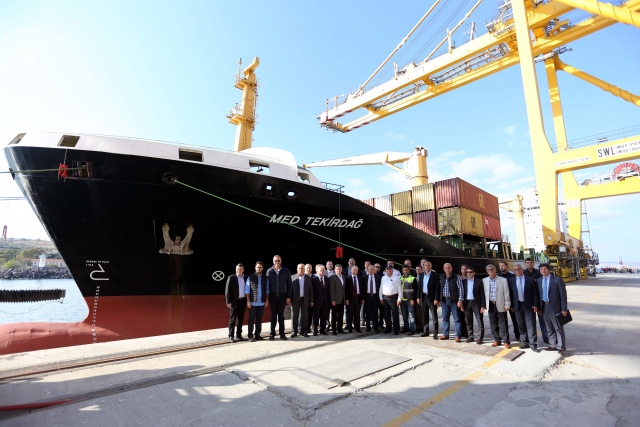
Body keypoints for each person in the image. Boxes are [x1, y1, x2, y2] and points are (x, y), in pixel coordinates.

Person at [535, 263, 568, 355]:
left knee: (558, 328)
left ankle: (561, 347)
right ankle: (553, 345)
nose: (543, 271)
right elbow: (538, 295)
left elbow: (563, 296)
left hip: (555, 307)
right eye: (541, 269)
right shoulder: (539, 281)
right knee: (549, 328)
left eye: (545, 269)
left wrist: (564, 309)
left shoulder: (557, 280)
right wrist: (539, 308)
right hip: (544, 307)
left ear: (549, 270)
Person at [508, 264, 540, 350]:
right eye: (516, 269)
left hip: (529, 305)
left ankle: (533, 343)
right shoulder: (511, 281)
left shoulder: (530, 280)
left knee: (531, 325)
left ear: (523, 270)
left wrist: (535, 304)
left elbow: (535, 294)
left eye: (519, 269)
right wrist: (511, 305)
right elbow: (510, 294)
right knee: (521, 325)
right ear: (514, 271)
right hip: (517, 306)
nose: (518, 270)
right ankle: (525, 342)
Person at [483, 264, 511, 348]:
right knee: (493, 324)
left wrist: (507, 304)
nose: (490, 271)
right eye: (488, 270)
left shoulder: (503, 280)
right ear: (487, 271)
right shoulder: (484, 280)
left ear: (495, 270)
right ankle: (497, 340)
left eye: (492, 269)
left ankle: (506, 341)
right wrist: (483, 305)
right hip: (490, 304)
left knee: (503, 324)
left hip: (500, 304)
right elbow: (483, 294)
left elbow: (506, 293)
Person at [524, 257, 549, 344]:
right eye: (527, 263)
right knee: (529, 322)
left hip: (540, 298)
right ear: (525, 264)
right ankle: (529, 339)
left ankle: (546, 337)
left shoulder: (539, 273)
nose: (529, 264)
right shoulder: (523, 273)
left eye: (531, 262)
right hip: (528, 300)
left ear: (533, 263)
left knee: (543, 320)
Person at [266, 255, 292, 341]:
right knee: (273, 316)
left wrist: (288, 296)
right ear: (273, 261)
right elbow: (267, 286)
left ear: (281, 261)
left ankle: (282, 334)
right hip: (273, 296)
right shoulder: (269, 271)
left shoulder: (286, 270)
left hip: (282, 296)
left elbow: (289, 284)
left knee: (281, 316)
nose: (277, 262)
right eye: (275, 261)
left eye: (278, 260)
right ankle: (272, 334)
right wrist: (267, 298)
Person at [437, 263, 463, 342]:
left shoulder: (456, 277)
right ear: (443, 269)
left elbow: (460, 289)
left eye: (449, 268)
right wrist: (439, 299)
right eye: (446, 268)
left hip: (454, 301)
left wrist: (460, 300)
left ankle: (458, 336)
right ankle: (445, 334)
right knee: (445, 318)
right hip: (444, 301)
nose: (447, 269)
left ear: (451, 268)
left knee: (457, 318)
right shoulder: (442, 277)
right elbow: (440, 288)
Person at [462, 267, 486, 344]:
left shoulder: (479, 281)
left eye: (470, 272)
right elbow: (461, 294)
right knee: (468, 321)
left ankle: (480, 338)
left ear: (474, 273)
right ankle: (470, 336)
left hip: (476, 303)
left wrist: (483, 305)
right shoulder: (463, 282)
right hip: (467, 303)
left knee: (479, 321)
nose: (468, 273)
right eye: (467, 272)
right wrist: (461, 304)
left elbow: (482, 294)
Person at [246, 261, 269, 342]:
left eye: (260, 267)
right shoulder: (250, 277)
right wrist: (248, 301)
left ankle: (257, 335)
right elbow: (247, 291)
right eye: (257, 267)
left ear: (262, 268)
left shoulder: (265, 278)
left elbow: (267, 290)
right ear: (255, 268)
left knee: (259, 319)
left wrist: (267, 300)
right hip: (253, 303)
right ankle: (250, 336)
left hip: (261, 302)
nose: (258, 269)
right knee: (251, 320)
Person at [416, 259, 439, 339]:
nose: (427, 267)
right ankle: (426, 331)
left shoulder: (435, 275)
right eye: (425, 265)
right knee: (425, 315)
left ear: (431, 266)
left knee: (434, 316)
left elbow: (437, 288)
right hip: (423, 297)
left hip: (431, 297)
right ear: (423, 267)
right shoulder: (421, 275)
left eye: (428, 265)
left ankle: (435, 332)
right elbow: (419, 287)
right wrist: (418, 297)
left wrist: (436, 298)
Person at [225, 263, 248, 343]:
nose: (239, 271)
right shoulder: (231, 278)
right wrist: (228, 301)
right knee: (232, 319)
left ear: (243, 270)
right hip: (234, 302)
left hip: (243, 301)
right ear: (236, 269)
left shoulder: (246, 277)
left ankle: (239, 335)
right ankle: (231, 335)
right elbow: (227, 291)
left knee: (240, 319)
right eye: (238, 269)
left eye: (240, 269)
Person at [289, 263, 314, 338]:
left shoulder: (308, 278)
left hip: (305, 299)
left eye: (302, 268)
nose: (301, 270)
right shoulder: (293, 277)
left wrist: (312, 300)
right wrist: (289, 299)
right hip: (295, 299)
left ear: (304, 269)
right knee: (294, 316)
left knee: (304, 316)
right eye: (299, 268)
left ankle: (304, 331)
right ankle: (294, 331)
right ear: (297, 269)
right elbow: (290, 290)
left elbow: (311, 290)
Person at [498, 261, 520, 342]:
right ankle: (503, 336)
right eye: (500, 266)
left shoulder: (512, 276)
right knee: (502, 320)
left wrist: (512, 304)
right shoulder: (498, 276)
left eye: (503, 265)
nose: (501, 267)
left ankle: (518, 335)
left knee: (515, 320)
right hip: (501, 301)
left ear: (507, 266)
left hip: (511, 301)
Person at [379, 263, 402, 335]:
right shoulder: (383, 278)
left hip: (393, 297)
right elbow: (381, 288)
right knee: (386, 314)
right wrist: (381, 298)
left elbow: (400, 289)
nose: (389, 270)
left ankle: (396, 329)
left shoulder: (396, 278)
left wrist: (399, 299)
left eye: (390, 269)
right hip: (385, 298)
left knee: (395, 314)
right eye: (387, 269)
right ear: (385, 270)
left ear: (392, 270)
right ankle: (388, 328)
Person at [363, 264, 382, 333]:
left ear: (374, 270)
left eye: (372, 269)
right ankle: (368, 327)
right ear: (367, 270)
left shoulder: (378, 278)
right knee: (367, 312)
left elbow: (380, 288)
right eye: (369, 269)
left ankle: (376, 327)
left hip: (375, 296)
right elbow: (363, 289)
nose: (371, 271)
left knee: (375, 312)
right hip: (367, 296)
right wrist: (363, 298)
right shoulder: (364, 278)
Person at [329, 264, 347, 335]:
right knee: (334, 315)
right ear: (335, 270)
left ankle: (340, 329)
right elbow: (331, 290)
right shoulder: (332, 277)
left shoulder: (343, 277)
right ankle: (334, 330)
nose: (339, 270)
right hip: (335, 300)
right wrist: (333, 300)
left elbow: (344, 289)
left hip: (342, 299)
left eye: (340, 269)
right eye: (337, 269)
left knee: (340, 315)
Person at [312, 265, 330, 335]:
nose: (322, 272)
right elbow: (312, 291)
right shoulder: (314, 279)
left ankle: (322, 329)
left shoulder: (327, 279)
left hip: (325, 302)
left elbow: (328, 291)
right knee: (316, 317)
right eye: (320, 271)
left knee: (324, 317)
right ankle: (315, 330)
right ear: (317, 271)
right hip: (316, 302)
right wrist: (312, 301)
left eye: (323, 271)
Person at [346, 265, 364, 333]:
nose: (355, 271)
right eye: (354, 270)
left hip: (358, 298)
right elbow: (346, 290)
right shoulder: (347, 278)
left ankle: (357, 328)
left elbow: (362, 289)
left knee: (357, 314)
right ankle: (350, 328)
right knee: (350, 314)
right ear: (351, 271)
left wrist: (363, 298)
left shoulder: (360, 278)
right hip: (350, 298)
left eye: (356, 270)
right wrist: (346, 299)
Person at [399, 265, 417, 335]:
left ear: (409, 270)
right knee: (404, 315)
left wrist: (412, 299)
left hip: (409, 300)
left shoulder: (413, 278)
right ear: (402, 271)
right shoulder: (400, 278)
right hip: (402, 300)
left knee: (411, 315)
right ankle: (406, 328)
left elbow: (415, 290)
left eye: (407, 270)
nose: (405, 271)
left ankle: (412, 329)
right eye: (404, 270)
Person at [458, 265, 469, 339]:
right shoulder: (458, 278)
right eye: (462, 269)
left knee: (467, 317)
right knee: (460, 316)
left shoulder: (469, 279)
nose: (464, 270)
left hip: (467, 300)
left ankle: (468, 332)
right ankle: (462, 332)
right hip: (459, 299)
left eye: (465, 269)